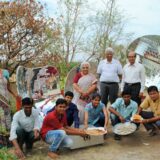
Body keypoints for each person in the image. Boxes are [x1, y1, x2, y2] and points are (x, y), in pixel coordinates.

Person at [0, 68, 17, 148]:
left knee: (8, 119)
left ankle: (10, 141)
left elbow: (8, 87)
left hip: (6, 100)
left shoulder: (5, 72)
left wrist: (15, 95)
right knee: (1, 120)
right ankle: (3, 143)